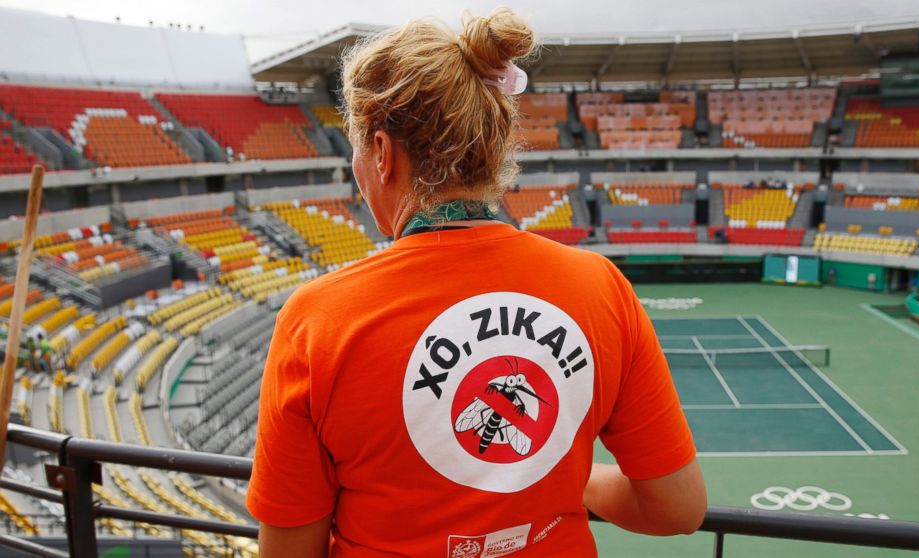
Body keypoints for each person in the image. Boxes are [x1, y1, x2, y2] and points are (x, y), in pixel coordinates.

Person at [246, 8, 705, 557]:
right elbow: (677, 508)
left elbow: (290, 550)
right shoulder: (600, 286)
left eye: (356, 153)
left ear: (382, 154)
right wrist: (557, 474)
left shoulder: (317, 319)